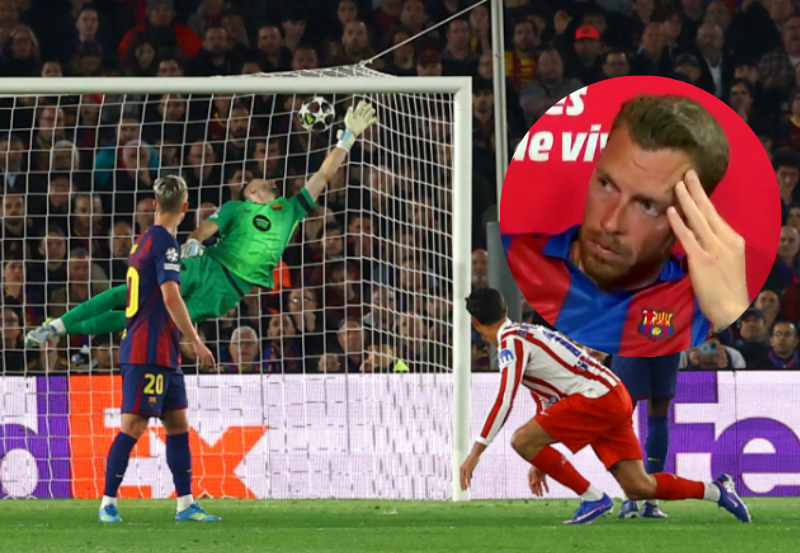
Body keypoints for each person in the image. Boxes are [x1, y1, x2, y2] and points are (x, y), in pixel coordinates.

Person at [26, 102, 378, 346]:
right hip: (206, 265)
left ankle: (64, 330)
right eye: (257, 182)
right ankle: (57, 325)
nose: (268, 182)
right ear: (249, 190)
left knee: (147, 316)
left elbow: (324, 173)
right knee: (133, 296)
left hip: (229, 290)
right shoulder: (233, 208)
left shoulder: (291, 209)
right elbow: (204, 231)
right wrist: (193, 241)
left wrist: (347, 136)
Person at [460, 287, 751, 525]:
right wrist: (540, 458)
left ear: (475, 322)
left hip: (596, 398)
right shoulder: (528, 332)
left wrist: (476, 453)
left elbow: (504, 398)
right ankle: (717, 490)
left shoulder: (511, 342)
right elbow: (548, 397)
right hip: (613, 394)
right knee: (639, 486)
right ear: (506, 310)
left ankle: (592, 498)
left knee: (520, 439)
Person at [502, 94, 748, 356]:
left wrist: (730, 312)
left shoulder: (701, 307)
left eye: (647, 206)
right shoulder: (514, 259)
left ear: (692, 216)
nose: (609, 223)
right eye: (606, 184)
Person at [98, 176, 218, 523]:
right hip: (146, 350)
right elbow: (170, 295)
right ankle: (107, 503)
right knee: (133, 426)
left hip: (162, 351)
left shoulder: (144, 240)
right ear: (185, 207)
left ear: (154, 205)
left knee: (178, 423)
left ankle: (185, 503)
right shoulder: (165, 243)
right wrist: (196, 340)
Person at [610, 353, 681, 519]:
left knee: (623, 413)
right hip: (667, 339)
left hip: (633, 340)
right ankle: (650, 500)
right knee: (658, 412)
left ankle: (631, 498)